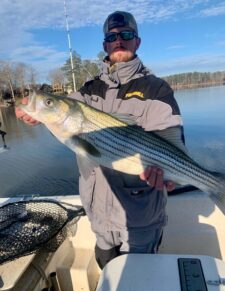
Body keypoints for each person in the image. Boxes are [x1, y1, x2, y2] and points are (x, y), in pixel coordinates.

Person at [15, 11, 184, 269]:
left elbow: (170, 138)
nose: (119, 40)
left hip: (138, 220)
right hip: (99, 217)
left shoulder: (157, 89)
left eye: (126, 35)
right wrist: (38, 113)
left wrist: (168, 174)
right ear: (105, 44)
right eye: (111, 36)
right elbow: (64, 121)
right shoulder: (89, 89)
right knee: (107, 273)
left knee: (137, 283)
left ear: (137, 41)